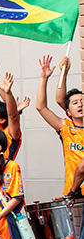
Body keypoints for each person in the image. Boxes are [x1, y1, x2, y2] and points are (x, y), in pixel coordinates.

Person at [35, 55, 84, 198]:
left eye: (82, 101)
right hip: (73, 192)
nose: (80, 104)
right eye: (75, 103)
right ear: (68, 112)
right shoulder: (66, 127)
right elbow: (41, 107)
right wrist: (44, 78)